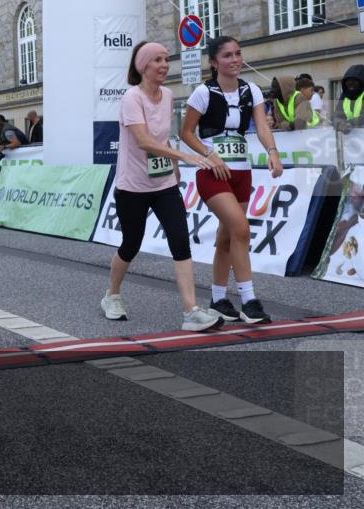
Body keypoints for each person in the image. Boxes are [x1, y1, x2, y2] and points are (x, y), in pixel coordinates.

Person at [101, 41, 221, 332]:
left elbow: (162, 137)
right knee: (131, 244)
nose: (165, 65)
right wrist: (186, 156)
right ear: (143, 66)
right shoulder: (132, 97)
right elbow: (143, 140)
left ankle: (191, 311)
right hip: (133, 185)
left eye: (167, 59)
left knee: (180, 241)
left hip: (164, 183)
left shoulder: (167, 95)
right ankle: (112, 295)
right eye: (157, 60)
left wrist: (175, 166)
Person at [181, 35, 283, 324]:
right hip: (212, 173)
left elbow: (262, 125)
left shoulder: (251, 90)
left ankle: (218, 299)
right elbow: (186, 132)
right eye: (227, 55)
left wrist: (272, 152)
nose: (235, 59)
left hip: (242, 172)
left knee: (227, 236)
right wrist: (210, 155)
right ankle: (249, 301)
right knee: (241, 229)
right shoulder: (203, 93)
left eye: (238, 53)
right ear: (214, 63)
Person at [334, 64, 364, 134]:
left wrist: (350, 123)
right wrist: (339, 124)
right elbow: (336, 115)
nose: (351, 83)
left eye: (355, 81)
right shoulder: (345, 94)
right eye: (348, 81)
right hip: (353, 138)